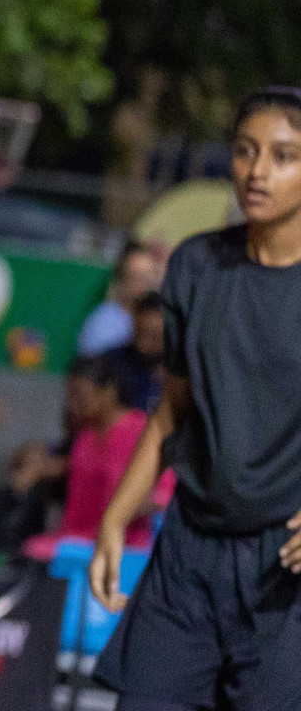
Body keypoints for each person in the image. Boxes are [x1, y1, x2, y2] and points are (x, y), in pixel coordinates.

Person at [90, 86, 301, 710]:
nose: (257, 171)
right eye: (245, 150)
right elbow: (170, 414)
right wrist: (113, 517)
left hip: (282, 569)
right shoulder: (195, 267)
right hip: (187, 552)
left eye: (283, 156)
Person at [19, 357, 173, 562]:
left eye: (80, 397)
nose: (74, 405)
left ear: (108, 392)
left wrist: (119, 515)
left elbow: (164, 494)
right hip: (75, 537)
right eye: (70, 397)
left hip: (123, 544)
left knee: (36, 551)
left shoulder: (142, 432)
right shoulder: (85, 435)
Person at [76, 241, 162, 358]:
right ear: (121, 282)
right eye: (137, 278)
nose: (145, 285)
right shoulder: (103, 324)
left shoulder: (160, 320)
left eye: (149, 278)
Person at [98, 293, 166, 414]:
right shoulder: (110, 365)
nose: (144, 344)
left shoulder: (178, 374)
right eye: (141, 332)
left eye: (154, 336)